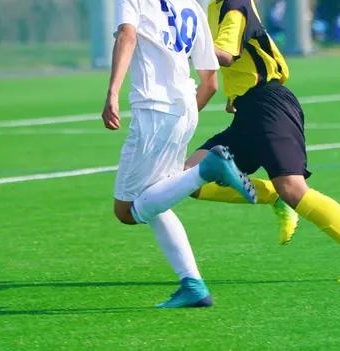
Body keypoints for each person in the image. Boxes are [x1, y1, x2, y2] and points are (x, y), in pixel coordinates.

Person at [185, 0, 340, 282]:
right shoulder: (212, 7)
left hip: (269, 105)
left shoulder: (233, 3)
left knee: (294, 187)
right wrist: (235, 95)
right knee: (190, 177)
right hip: (249, 109)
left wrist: (177, 45)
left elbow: (225, 54)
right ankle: (273, 196)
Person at [101, 0, 257, 308]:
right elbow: (210, 82)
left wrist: (112, 93)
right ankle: (193, 285)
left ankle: (208, 168)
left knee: (127, 211)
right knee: (156, 198)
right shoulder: (192, 6)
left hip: (154, 110)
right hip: (185, 109)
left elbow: (127, 36)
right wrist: (178, 118)